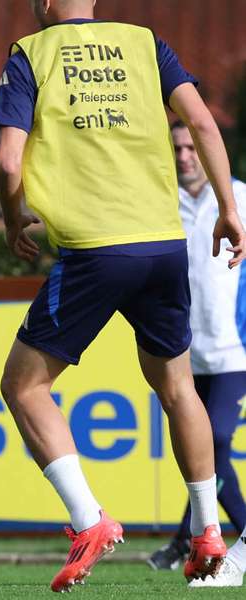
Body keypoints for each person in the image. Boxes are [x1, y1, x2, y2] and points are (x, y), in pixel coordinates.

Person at [0, 0, 246, 592]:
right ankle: (208, 531)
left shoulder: (30, 54)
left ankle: (88, 520)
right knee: (178, 388)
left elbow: (9, 161)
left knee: (23, 385)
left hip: (95, 249)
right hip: (164, 245)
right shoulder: (146, 42)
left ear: (48, 2)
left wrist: (11, 218)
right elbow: (206, 125)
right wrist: (230, 210)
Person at [147, 122, 246, 588]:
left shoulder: (239, 199)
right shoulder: (160, 203)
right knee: (199, 448)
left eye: (191, 146)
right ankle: (184, 540)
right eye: (177, 148)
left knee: (219, 439)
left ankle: (232, 534)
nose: (184, 155)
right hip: (185, 355)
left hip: (236, 352)